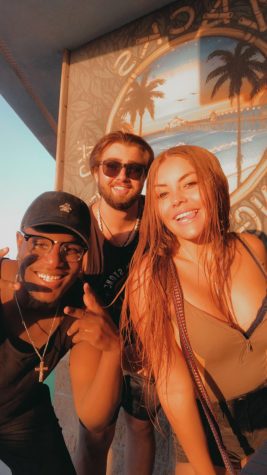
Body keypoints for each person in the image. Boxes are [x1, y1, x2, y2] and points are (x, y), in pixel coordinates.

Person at [122, 145, 267, 475]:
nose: (177, 200)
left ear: (214, 185)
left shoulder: (254, 247)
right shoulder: (151, 278)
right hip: (214, 433)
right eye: (163, 194)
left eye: (189, 184)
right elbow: (173, 385)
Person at [0, 191, 121, 475]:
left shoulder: (81, 306)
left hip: (22, 414)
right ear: (19, 243)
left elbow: (93, 419)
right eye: (39, 243)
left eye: (71, 249)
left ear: (84, 258)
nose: (54, 260)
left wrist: (114, 350)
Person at [74, 131, 157, 475]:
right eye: (112, 166)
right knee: (95, 433)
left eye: (134, 169)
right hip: (93, 340)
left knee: (140, 426)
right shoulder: (78, 223)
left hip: (147, 341)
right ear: (96, 171)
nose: (122, 175)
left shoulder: (156, 220)